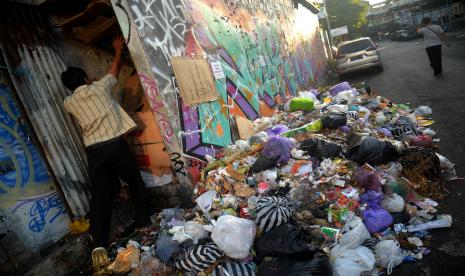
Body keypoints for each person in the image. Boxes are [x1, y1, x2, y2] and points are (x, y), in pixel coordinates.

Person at [61, 37, 148, 248]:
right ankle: (145, 221)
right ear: (85, 78)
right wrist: (118, 49)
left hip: (94, 151)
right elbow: (115, 68)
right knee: (135, 182)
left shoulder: (68, 103)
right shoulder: (99, 88)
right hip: (114, 145)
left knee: (99, 196)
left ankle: (98, 243)